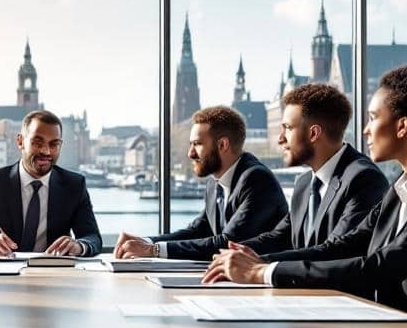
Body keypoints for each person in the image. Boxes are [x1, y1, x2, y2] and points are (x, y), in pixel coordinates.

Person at [204, 65, 407, 323]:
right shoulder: (406, 185)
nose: (365, 130)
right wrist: (257, 262)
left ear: (402, 126)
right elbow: (342, 247)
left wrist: (263, 272)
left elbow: (381, 266)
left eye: (373, 118)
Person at [113, 106, 286, 260]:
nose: (190, 153)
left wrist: (154, 250)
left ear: (222, 144)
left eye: (197, 144)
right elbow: (198, 231)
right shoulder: (214, 184)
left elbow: (228, 242)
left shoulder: (256, 179)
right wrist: (146, 241)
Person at [233, 84, 387, 255]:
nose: (280, 138)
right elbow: (279, 237)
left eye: (288, 128)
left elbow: (335, 252)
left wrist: (260, 266)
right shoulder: (304, 183)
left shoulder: (364, 179)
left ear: (314, 134)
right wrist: (235, 253)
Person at [0, 110, 103, 257]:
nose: (46, 151)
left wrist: (79, 246)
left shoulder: (75, 185)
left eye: (54, 145)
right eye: (37, 142)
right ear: (20, 141)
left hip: (55, 274)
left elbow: (93, 238)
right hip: (4, 274)